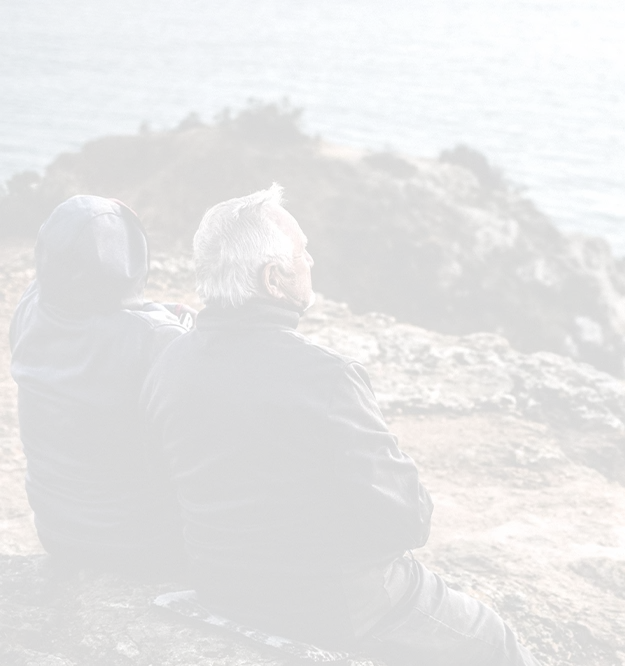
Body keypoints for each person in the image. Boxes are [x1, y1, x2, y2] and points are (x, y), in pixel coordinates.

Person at [139, 184, 540, 665]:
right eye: (304, 253)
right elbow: (409, 521)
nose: (313, 263)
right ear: (273, 279)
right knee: (493, 638)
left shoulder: (169, 361)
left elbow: (161, 483)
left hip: (219, 585)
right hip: (336, 606)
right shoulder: (326, 378)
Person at [10, 194, 192, 580]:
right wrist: (178, 324)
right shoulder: (155, 340)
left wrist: (159, 312)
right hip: (141, 544)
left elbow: (101, 315)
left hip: (55, 530)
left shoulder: (29, 306)